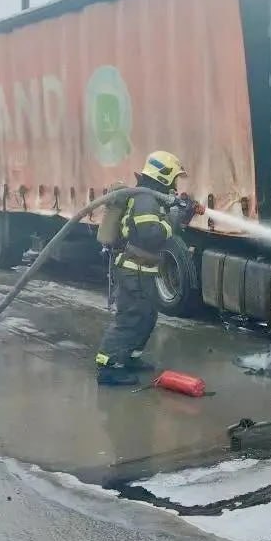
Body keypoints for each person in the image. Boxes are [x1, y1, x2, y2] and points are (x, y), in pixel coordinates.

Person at [95, 151, 195, 386]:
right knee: (131, 319)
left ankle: (129, 357)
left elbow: (160, 229)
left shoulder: (151, 199)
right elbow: (151, 235)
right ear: (164, 176)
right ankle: (108, 367)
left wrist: (179, 215)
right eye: (173, 179)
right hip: (134, 271)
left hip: (143, 271)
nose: (174, 184)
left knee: (147, 317)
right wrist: (174, 218)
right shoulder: (145, 200)